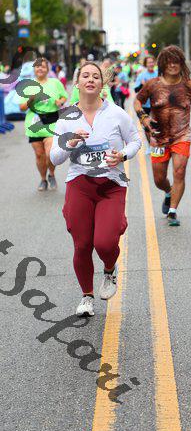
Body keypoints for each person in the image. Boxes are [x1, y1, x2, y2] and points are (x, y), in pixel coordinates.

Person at [50, 62, 141, 317]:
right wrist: (70, 142)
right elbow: (55, 157)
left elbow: (135, 141)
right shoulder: (67, 117)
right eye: (85, 76)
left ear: (102, 84)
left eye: (96, 76)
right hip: (80, 185)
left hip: (111, 185)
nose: (90, 79)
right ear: (77, 83)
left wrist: (122, 155)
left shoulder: (116, 113)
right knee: (82, 245)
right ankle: (87, 296)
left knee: (105, 242)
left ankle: (109, 269)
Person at [134, 45, 191, 226]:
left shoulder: (189, 85)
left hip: (182, 136)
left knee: (179, 171)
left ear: (181, 63)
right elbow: (137, 101)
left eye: (176, 61)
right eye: (169, 62)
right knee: (159, 179)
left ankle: (172, 211)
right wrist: (143, 118)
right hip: (158, 138)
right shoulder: (153, 84)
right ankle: (168, 192)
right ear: (163, 64)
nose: (173, 65)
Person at [16, 57, 68, 191]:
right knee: (39, 155)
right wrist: (31, 99)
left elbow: (64, 96)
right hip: (35, 124)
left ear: (47, 69)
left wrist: (60, 102)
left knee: (50, 153)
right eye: (37, 66)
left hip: (52, 122)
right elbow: (21, 107)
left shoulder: (55, 83)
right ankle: (43, 179)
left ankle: (52, 174)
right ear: (34, 69)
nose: (40, 69)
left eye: (43, 66)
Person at [134, 55, 158, 149]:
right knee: (147, 126)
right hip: (145, 104)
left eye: (152, 62)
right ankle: (150, 145)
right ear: (145, 64)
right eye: (149, 62)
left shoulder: (158, 74)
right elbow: (136, 90)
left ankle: (157, 144)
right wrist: (142, 85)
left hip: (157, 104)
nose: (151, 64)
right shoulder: (141, 76)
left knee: (156, 125)